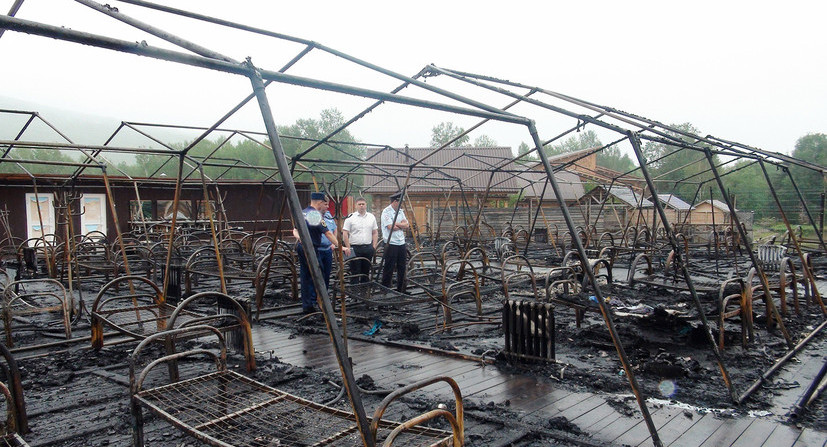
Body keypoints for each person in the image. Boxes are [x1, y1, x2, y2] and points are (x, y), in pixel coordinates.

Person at [293, 192, 349, 314]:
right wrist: (341, 247)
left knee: (306, 276)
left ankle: (307, 305)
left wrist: (300, 239)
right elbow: (328, 233)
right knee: (318, 275)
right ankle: (319, 303)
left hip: (302, 247)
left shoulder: (302, 212)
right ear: (319, 203)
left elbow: (295, 230)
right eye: (325, 204)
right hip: (311, 249)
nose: (327, 207)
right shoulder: (314, 215)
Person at [342, 197, 378, 284]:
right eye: (359, 204)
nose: (361, 206)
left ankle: (364, 292)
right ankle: (354, 293)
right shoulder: (350, 218)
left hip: (368, 248)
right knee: (354, 272)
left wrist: (374, 246)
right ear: (356, 206)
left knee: (366, 271)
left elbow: (375, 232)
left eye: (363, 204)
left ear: (366, 205)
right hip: (354, 248)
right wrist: (348, 248)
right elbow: (345, 233)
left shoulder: (371, 217)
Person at [380, 191, 409, 292]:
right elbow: (391, 227)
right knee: (389, 267)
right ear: (395, 202)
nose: (401, 204)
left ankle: (401, 289)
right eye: (400, 202)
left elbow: (406, 225)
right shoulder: (386, 212)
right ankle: (385, 290)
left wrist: (398, 224)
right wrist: (400, 225)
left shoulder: (400, 211)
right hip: (391, 243)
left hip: (401, 243)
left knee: (402, 267)